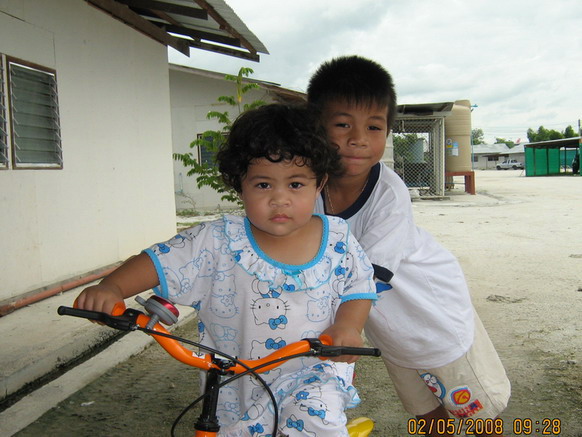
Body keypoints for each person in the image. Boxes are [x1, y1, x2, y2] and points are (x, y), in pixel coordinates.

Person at [74, 103, 378, 437]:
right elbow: (158, 261)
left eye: (295, 184)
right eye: (263, 185)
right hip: (235, 384)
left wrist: (348, 326)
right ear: (239, 185)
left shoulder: (336, 239)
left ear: (319, 183)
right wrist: (111, 288)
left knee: (311, 421)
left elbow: (359, 286)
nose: (280, 199)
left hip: (314, 375)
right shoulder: (215, 241)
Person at [307, 56, 510, 435]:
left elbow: (369, 274)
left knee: (478, 417)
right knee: (427, 416)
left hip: (435, 320)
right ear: (316, 126)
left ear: (387, 132)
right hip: (393, 334)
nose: (358, 138)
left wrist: (341, 323)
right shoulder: (308, 189)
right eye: (342, 124)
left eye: (373, 126)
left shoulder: (388, 193)